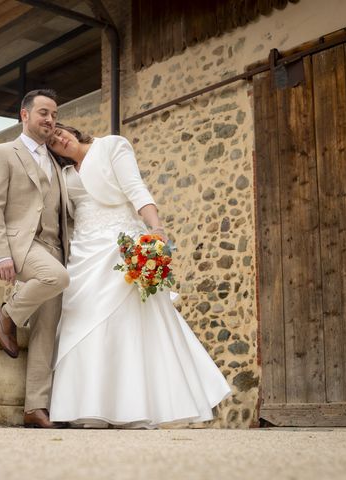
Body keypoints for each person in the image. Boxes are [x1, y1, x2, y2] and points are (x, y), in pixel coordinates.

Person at [47, 124, 231, 428]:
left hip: (119, 242)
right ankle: (89, 406)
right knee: (82, 319)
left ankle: (134, 406)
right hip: (83, 251)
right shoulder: (64, 174)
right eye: (53, 142)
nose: (60, 139)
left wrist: (155, 229)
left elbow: (135, 188)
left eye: (61, 132)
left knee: (129, 322)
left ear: (71, 129)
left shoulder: (111, 146)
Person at [0, 90, 70, 429]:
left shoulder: (56, 161)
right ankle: (7, 313)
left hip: (54, 247)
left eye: (54, 114)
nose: (50, 119)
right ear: (24, 115)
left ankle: (35, 407)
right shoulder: (2, 153)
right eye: (43, 112)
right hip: (22, 243)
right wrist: (1, 251)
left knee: (47, 329)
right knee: (57, 277)